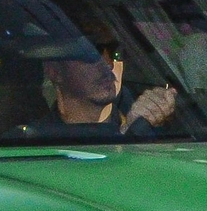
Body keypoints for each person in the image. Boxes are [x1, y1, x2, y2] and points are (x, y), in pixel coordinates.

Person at [22, 33, 179, 139]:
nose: (108, 64)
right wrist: (129, 133)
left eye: (111, 53)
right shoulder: (35, 140)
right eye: (90, 55)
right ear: (55, 71)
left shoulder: (147, 120)